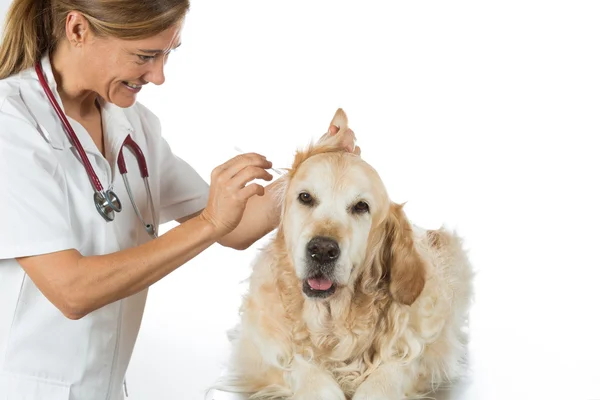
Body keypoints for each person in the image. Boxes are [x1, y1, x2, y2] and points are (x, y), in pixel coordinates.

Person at [0, 0, 358, 399]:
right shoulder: (11, 121)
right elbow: (71, 290)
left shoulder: (135, 126)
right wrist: (209, 224)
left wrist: (312, 173)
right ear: (78, 29)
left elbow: (235, 226)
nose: (158, 75)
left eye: (168, 54)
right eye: (145, 55)